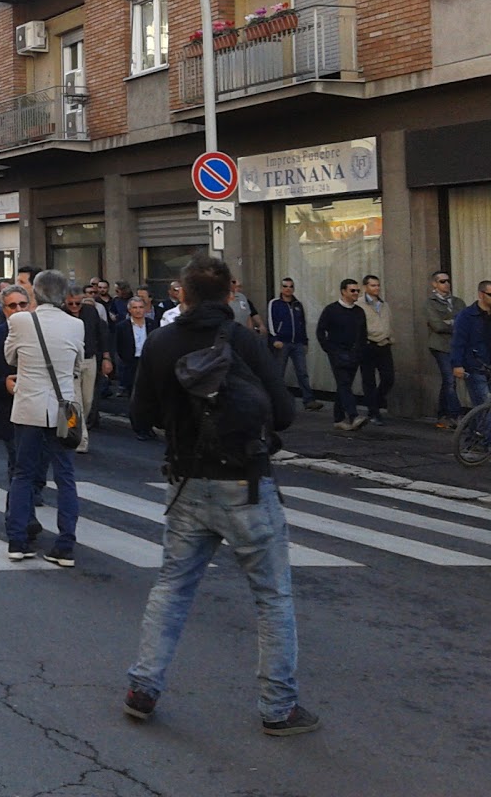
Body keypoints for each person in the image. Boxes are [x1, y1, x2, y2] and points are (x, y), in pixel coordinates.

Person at [124, 252, 317, 737]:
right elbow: (284, 412)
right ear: (231, 292)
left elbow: (139, 415)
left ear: (182, 294)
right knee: (272, 597)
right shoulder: (245, 340)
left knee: (172, 587)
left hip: (187, 482)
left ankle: (143, 687)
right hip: (246, 482)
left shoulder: (162, 342)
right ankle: (278, 707)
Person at [3, 270, 84, 566]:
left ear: (35, 294)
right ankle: (65, 544)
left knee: (23, 473)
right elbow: (77, 364)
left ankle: (18, 540)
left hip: (29, 406)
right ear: (64, 295)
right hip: (65, 409)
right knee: (65, 476)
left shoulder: (20, 321)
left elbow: (10, 357)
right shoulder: (76, 324)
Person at [0, 286, 47, 528]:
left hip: (40, 408)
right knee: (19, 464)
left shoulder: (43, 334)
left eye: (22, 305)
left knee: (38, 464)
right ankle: (23, 517)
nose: (18, 309)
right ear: (3, 309)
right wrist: (2, 384)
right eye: (12, 306)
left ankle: (22, 509)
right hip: (9, 410)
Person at [64, 282, 112, 450]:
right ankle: (80, 439)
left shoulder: (91, 312)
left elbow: (102, 334)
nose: (74, 306)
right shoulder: (61, 314)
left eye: (77, 303)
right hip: (70, 362)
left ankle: (74, 428)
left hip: (89, 359)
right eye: (70, 303)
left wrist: (106, 357)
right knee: (75, 400)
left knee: (87, 400)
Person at [316, 278, 368, 431]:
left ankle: (338, 418)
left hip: (354, 354)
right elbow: (320, 331)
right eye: (352, 290)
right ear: (343, 291)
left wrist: (360, 351)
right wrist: (330, 349)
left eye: (357, 290)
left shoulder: (359, 312)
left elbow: (363, 334)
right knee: (344, 383)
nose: (356, 293)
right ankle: (353, 415)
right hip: (337, 353)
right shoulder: (331, 310)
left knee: (344, 385)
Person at [450, 280, 491, 409]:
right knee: (482, 405)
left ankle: (481, 424)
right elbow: (458, 341)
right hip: (476, 366)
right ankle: (483, 425)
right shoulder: (466, 316)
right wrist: (457, 364)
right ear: (481, 294)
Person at [266, 278, 319, 412]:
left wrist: (305, 341)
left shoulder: (298, 304)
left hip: (297, 343)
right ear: (281, 288)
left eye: (290, 286)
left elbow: (302, 323)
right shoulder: (274, 303)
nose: (288, 289)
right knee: (278, 373)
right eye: (285, 286)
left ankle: (309, 400)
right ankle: (275, 401)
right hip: (282, 343)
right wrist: (274, 339)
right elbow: (271, 321)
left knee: (302, 372)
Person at [425, 270, 465, 428]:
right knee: (450, 380)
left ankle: (442, 414)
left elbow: (466, 322)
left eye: (448, 281)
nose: (447, 284)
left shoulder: (458, 302)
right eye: (442, 281)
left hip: (457, 345)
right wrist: (454, 323)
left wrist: (449, 322)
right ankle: (455, 415)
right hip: (440, 346)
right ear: (434, 284)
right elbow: (437, 326)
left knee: (448, 381)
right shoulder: (430, 303)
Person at [113, 296, 156, 442]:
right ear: (129, 310)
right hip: (131, 364)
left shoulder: (152, 324)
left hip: (148, 363)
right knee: (135, 397)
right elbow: (118, 346)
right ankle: (139, 428)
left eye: (141, 307)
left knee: (150, 397)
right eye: (135, 308)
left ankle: (148, 426)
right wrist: (125, 361)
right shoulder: (122, 326)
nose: (138, 310)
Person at [360, 274, 393, 426]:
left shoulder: (384, 304)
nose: (377, 288)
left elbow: (388, 322)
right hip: (368, 345)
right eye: (373, 285)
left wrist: (390, 337)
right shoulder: (360, 304)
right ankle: (373, 411)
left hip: (384, 344)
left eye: (378, 285)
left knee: (388, 378)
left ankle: (377, 401)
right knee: (369, 380)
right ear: (365, 287)